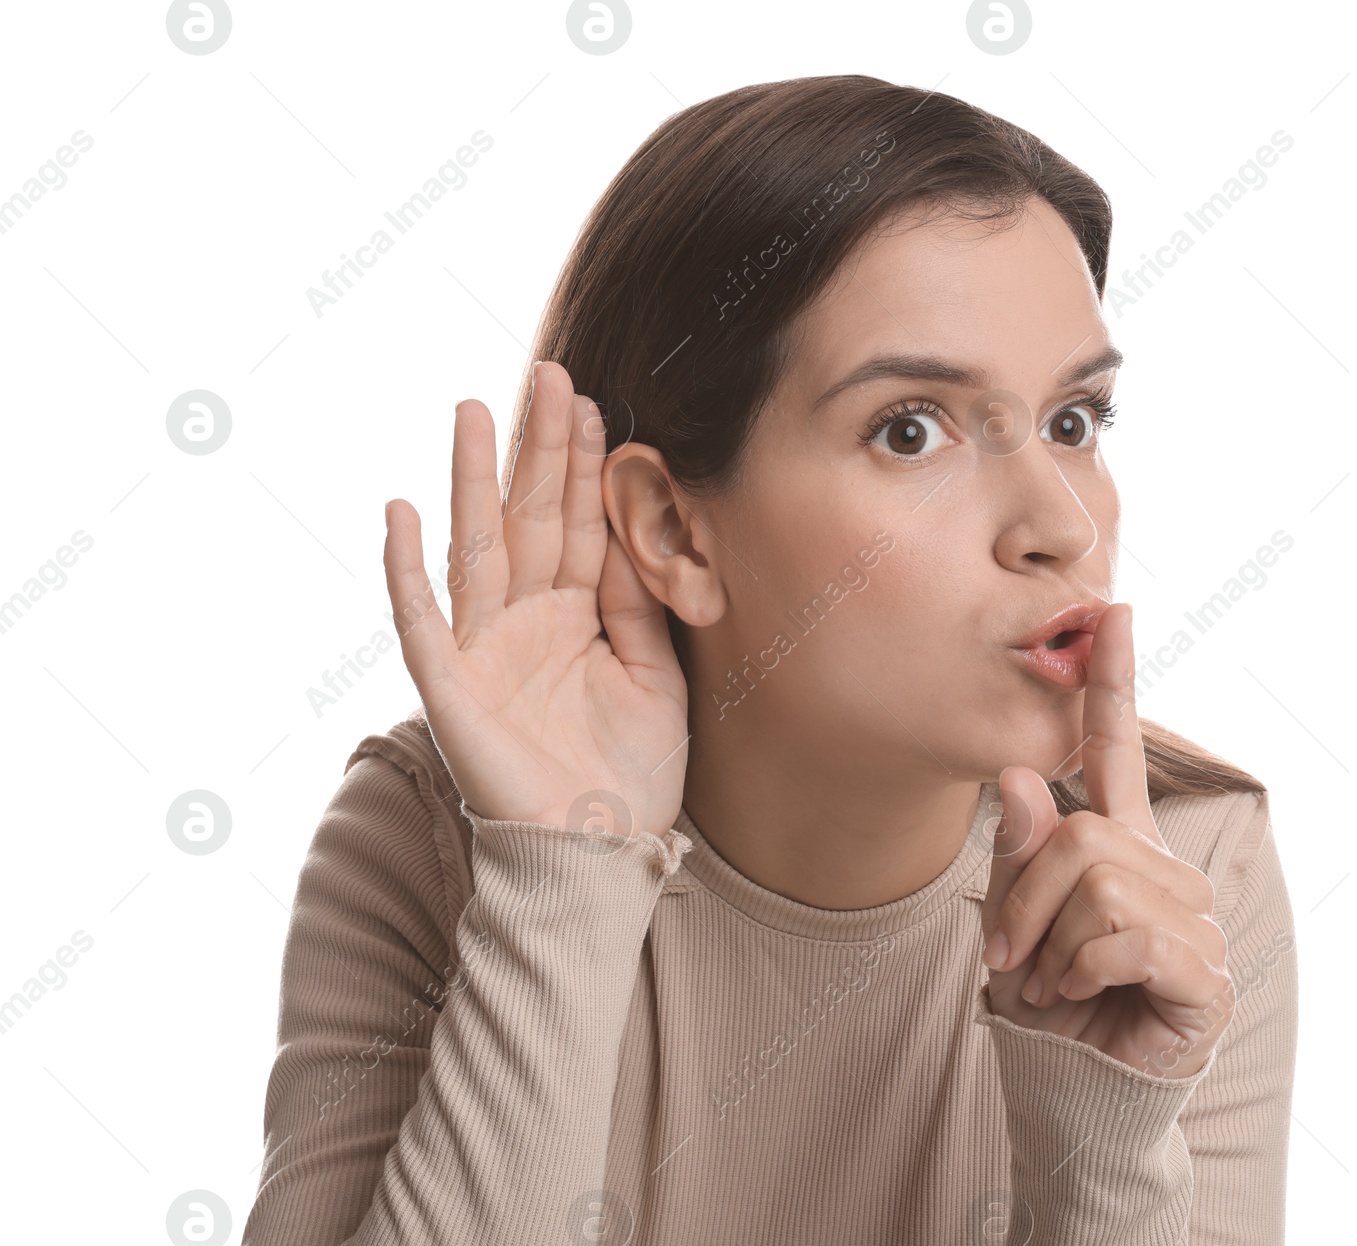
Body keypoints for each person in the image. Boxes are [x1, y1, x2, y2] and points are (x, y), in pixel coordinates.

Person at [242, 74, 1297, 1245]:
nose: (1062, 523)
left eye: (1072, 421)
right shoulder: (437, 849)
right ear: (675, 532)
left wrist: (1101, 1145)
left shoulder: (1187, 875)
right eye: (911, 430)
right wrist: (562, 874)